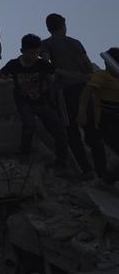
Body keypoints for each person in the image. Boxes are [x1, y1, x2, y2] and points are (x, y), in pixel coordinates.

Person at [43, 14, 109, 181]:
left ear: (48, 28)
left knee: (71, 131)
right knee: (91, 129)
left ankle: (87, 170)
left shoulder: (47, 44)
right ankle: (103, 172)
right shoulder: (75, 42)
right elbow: (88, 66)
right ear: (64, 25)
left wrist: (60, 74)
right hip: (84, 88)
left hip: (65, 91)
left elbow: (45, 65)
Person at [0, 34, 73, 173]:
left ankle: (61, 163)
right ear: (22, 51)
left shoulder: (41, 64)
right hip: (23, 102)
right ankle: (25, 155)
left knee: (60, 132)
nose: (35, 56)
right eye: (32, 53)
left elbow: (59, 71)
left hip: (41, 102)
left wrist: (79, 76)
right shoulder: (14, 64)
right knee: (29, 125)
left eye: (37, 53)